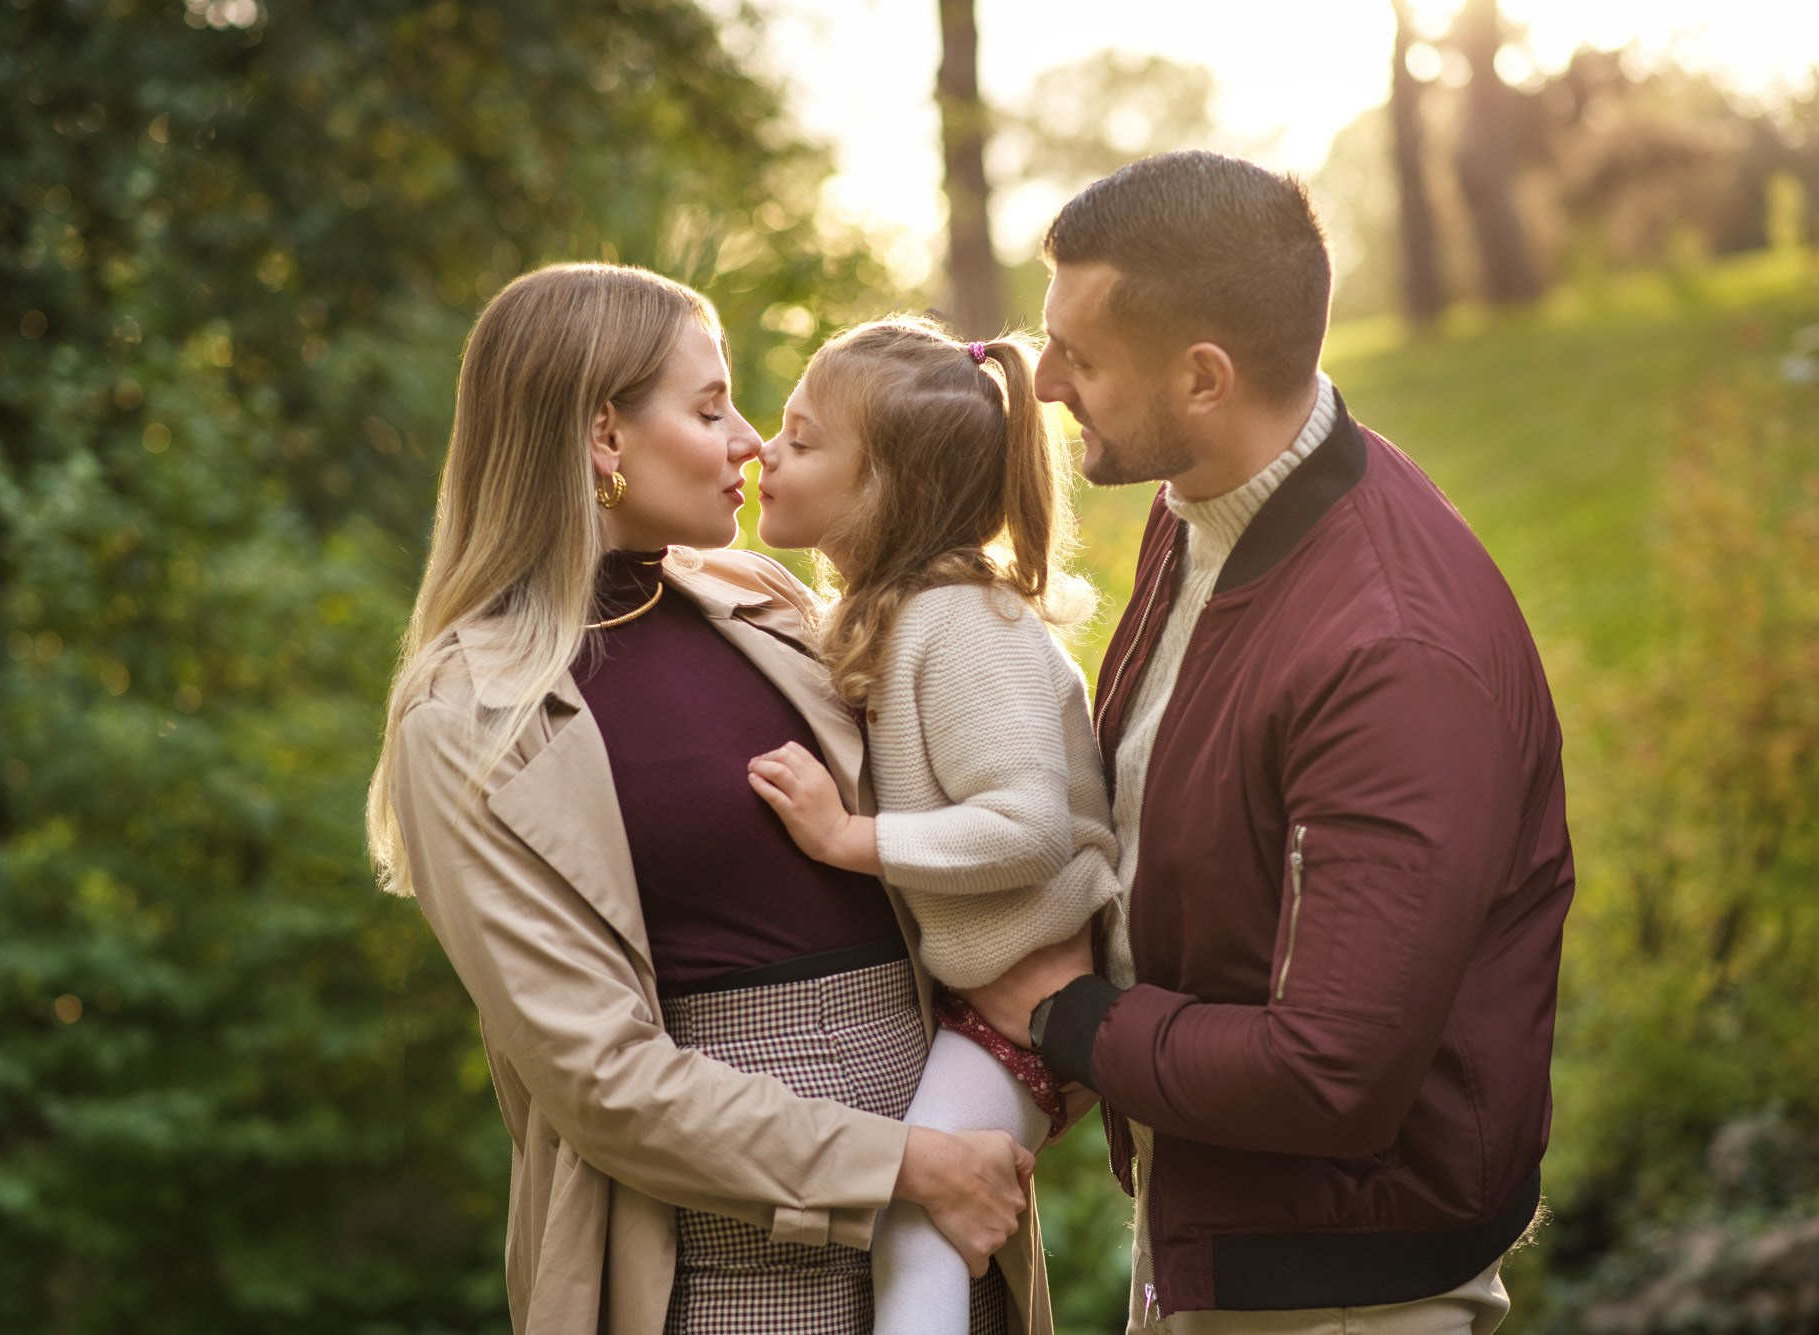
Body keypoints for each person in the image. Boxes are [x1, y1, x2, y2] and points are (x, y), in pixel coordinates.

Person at [366, 264, 1045, 1335]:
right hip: (724, 1273)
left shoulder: (768, 601)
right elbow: (601, 1081)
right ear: (603, 437)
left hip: (947, 1243)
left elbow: (961, 796)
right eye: (708, 406)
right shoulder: (465, 715)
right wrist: (906, 1166)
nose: (747, 442)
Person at [966, 151, 1577, 1334]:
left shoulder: (1392, 658)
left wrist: (1064, 1014)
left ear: (1202, 378)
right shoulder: (1198, 506)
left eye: (1080, 357)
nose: (1040, 382)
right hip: (1228, 1223)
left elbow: (1329, 1074)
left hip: (1344, 1287)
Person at [744, 316, 1127, 1335]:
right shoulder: (903, 614)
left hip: (1025, 1015)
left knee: (915, 1228)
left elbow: (1027, 829)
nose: (763, 453)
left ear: (883, 488)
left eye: (802, 437)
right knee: (915, 1228)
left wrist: (845, 840)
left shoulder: (958, 623)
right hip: (988, 1009)